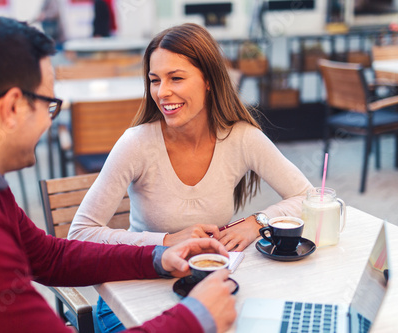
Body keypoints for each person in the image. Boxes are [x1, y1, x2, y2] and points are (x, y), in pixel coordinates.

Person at [0, 16, 237, 333]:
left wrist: (158, 256)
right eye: (49, 105)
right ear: (12, 107)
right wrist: (196, 318)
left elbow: (49, 257)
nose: (50, 122)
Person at [68, 23, 313, 332]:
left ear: (209, 80)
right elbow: (80, 234)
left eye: (176, 78)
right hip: (131, 299)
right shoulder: (136, 144)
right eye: (155, 80)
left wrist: (257, 222)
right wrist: (167, 241)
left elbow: (309, 197)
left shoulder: (242, 138)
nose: (162, 92)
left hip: (203, 288)